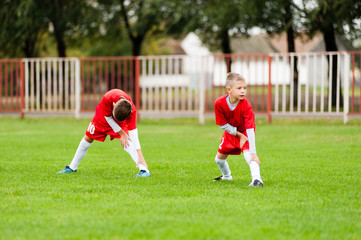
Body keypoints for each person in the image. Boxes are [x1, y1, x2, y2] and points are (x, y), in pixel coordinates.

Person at [57, 89, 151, 177]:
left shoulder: (131, 110)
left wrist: (140, 155)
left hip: (118, 120)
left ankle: (144, 170)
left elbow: (133, 133)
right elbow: (108, 118)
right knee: (87, 138)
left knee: (127, 141)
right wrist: (121, 133)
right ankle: (72, 167)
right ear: (113, 105)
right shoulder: (108, 97)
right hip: (103, 116)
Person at [213, 72, 263, 187]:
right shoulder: (219, 103)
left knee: (248, 155)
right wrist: (237, 134)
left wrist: (253, 152)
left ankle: (257, 180)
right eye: (239, 88)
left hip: (245, 132)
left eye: (244, 88)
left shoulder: (246, 105)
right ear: (228, 90)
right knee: (218, 160)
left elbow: (250, 127)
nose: (243, 91)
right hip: (231, 132)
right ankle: (226, 176)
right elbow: (222, 124)